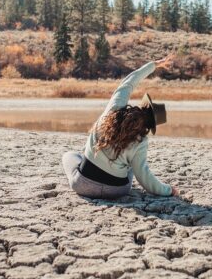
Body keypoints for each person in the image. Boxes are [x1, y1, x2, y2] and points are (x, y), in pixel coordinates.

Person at [61, 57, 179, 199]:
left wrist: (154, 65)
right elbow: (144, 177)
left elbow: (128, 83)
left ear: (142, 106)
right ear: (150, 126)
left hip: (83, 185)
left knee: (70, 156)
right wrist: (168, 190)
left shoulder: (113, 111)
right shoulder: (140, 141)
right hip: (116, 190)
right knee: (131, 166)